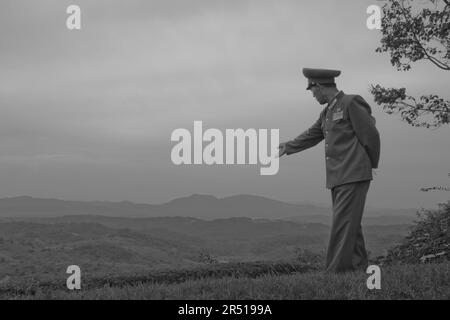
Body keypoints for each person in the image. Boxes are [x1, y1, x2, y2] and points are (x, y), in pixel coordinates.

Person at [278, 68, 381, 273]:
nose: (312, 95)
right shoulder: (326, 112)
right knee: (350, 224)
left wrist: (369, 163)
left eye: (312, 90)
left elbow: (370, 135)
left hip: (353, 172)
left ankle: (334, 273)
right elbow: (312, 135)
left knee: (342, 224)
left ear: (319, 86)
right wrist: (287, 147)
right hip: (338, 176)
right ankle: (358, 268)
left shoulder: (351, 103)